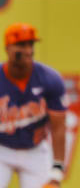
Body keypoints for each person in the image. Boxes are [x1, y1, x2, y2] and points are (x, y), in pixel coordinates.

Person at [0, 23, 67, 188]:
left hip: (35, 150)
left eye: (31, 44)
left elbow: (58, 128)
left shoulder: (49, 79)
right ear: (8, 48)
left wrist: (56, 172)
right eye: (21, 45)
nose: (28, 50)